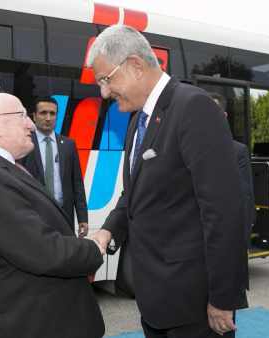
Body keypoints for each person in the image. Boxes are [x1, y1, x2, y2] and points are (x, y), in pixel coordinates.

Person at [88, 25, 248, 338]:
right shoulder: (137, 119)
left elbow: (223, 211)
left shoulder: (193, 107)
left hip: (194, 304)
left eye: (106, 79)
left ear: (135, 65)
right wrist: (108, 231)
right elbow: (134, 193)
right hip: (156, 299)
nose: (104, 92)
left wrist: (222, 298)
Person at [0, 93, 105, 338]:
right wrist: (93, 248)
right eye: (22, 115)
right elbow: (43, 251)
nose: (30, 123)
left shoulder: (0, 169)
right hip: (32, 324)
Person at [209, 92, 256, 308]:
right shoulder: (182, 147)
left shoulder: (237, 152)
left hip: (224, 251)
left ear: (224, 116)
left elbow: (244, 202)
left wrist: (239, 247)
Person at [21, 96, 88, 236]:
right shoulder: (24, 143)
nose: (48, 118)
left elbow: (77, 184)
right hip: (35, 215)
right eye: (43, 113)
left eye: (52, 113)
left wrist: (83, 218)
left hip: (64, 215)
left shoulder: (68, 145)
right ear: (34, 116)